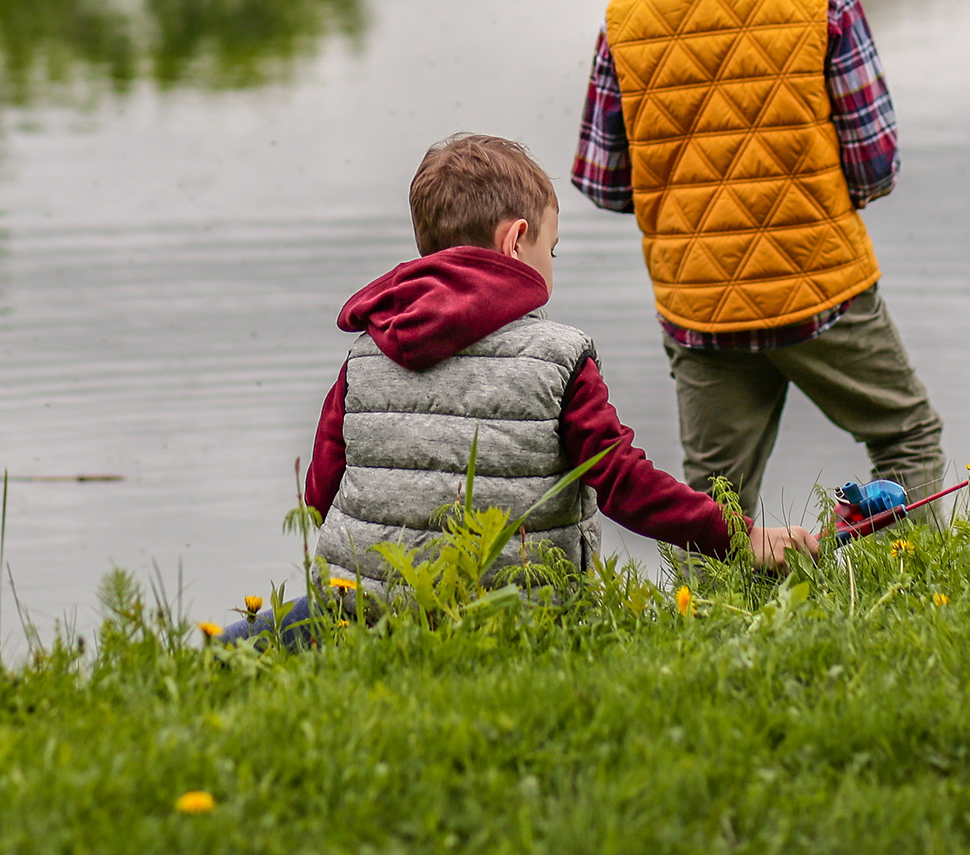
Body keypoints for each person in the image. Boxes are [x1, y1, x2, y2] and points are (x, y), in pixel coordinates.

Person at [572, 0, 945, 519]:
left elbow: (605, 183)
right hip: (823, 293)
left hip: (699, 303)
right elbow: (875, 165)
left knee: (716, 497)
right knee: (907, 437)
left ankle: (721, 624)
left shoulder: (624, 16)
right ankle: (901, 581)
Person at [298, 132, 819, 609]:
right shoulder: (558, 358)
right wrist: (740, 535)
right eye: (551, 248)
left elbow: (321, 493)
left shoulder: (364, 355)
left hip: (363, 612)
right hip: (515, 613)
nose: (551, 261)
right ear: (515, 240)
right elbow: (624, 483)